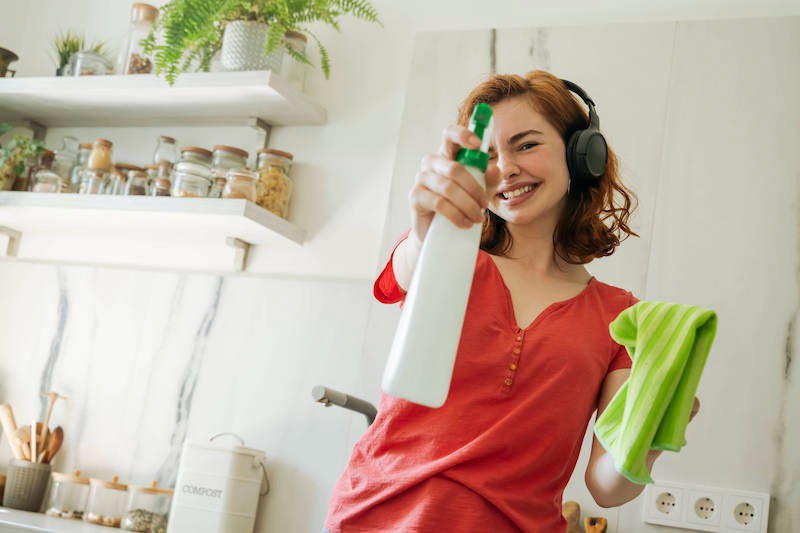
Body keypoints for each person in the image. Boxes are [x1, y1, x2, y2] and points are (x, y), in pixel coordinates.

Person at [323, 70, 700, 532]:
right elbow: (411, 260)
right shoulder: (443, 253)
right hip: (375, 520)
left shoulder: (622, 317)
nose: (506, 168)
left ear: (582, 155)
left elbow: (607, 487)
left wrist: (653, 431)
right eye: (490, 155)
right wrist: (432, 226)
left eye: (526, 145)